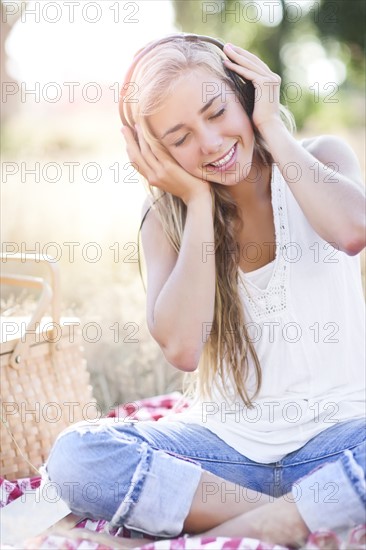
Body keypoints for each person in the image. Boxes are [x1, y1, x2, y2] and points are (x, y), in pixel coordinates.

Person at [44, 34, 366, 548]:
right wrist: (196, 201)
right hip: (226, 464)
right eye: (180, 138)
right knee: (77, 456)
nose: (212, 143)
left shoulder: (319, 158)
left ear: (244, 92)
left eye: (217, 111)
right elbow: (183, 348)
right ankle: (294, 517)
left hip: (343, 439)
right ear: (155, 153)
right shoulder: (164, 221)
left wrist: (272, 129)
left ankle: (260, 525)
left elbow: (352, 231)